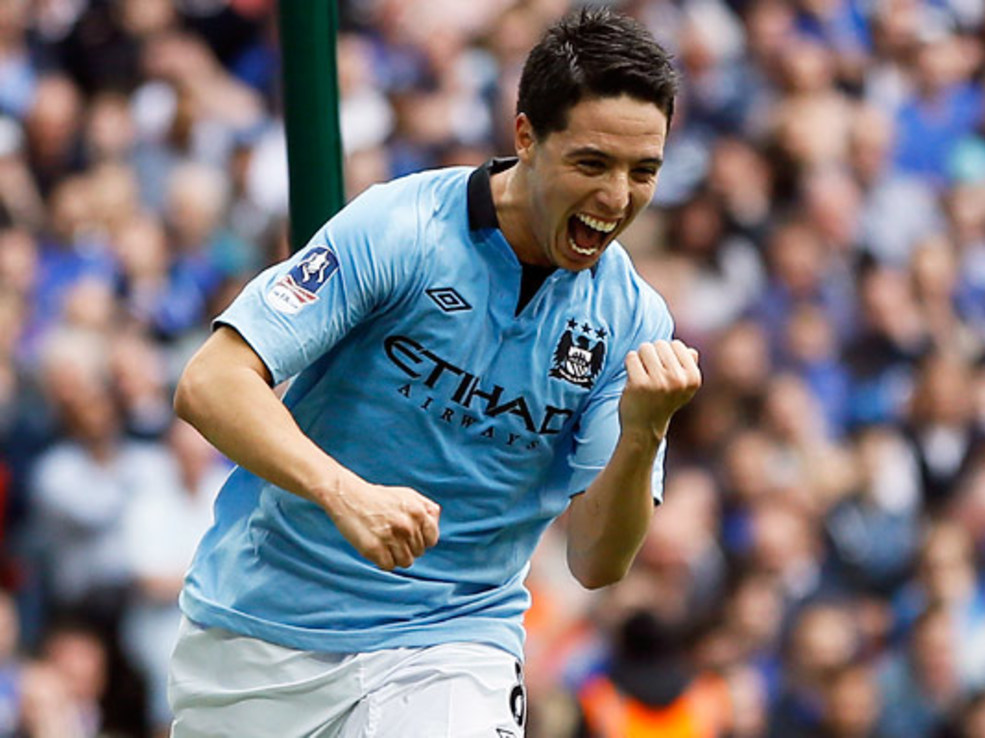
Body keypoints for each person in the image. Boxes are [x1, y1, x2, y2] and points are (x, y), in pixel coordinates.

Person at [167, 8, 701, 737]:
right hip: (263, 632)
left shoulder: (631, 319)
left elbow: (597, 562)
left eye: (644, 172)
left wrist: (642, 431)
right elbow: (210, 382)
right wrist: (344, 494)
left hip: (454, 638)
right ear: (525, 136)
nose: (617, 199)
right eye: (591, 164)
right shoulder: (404, 229)